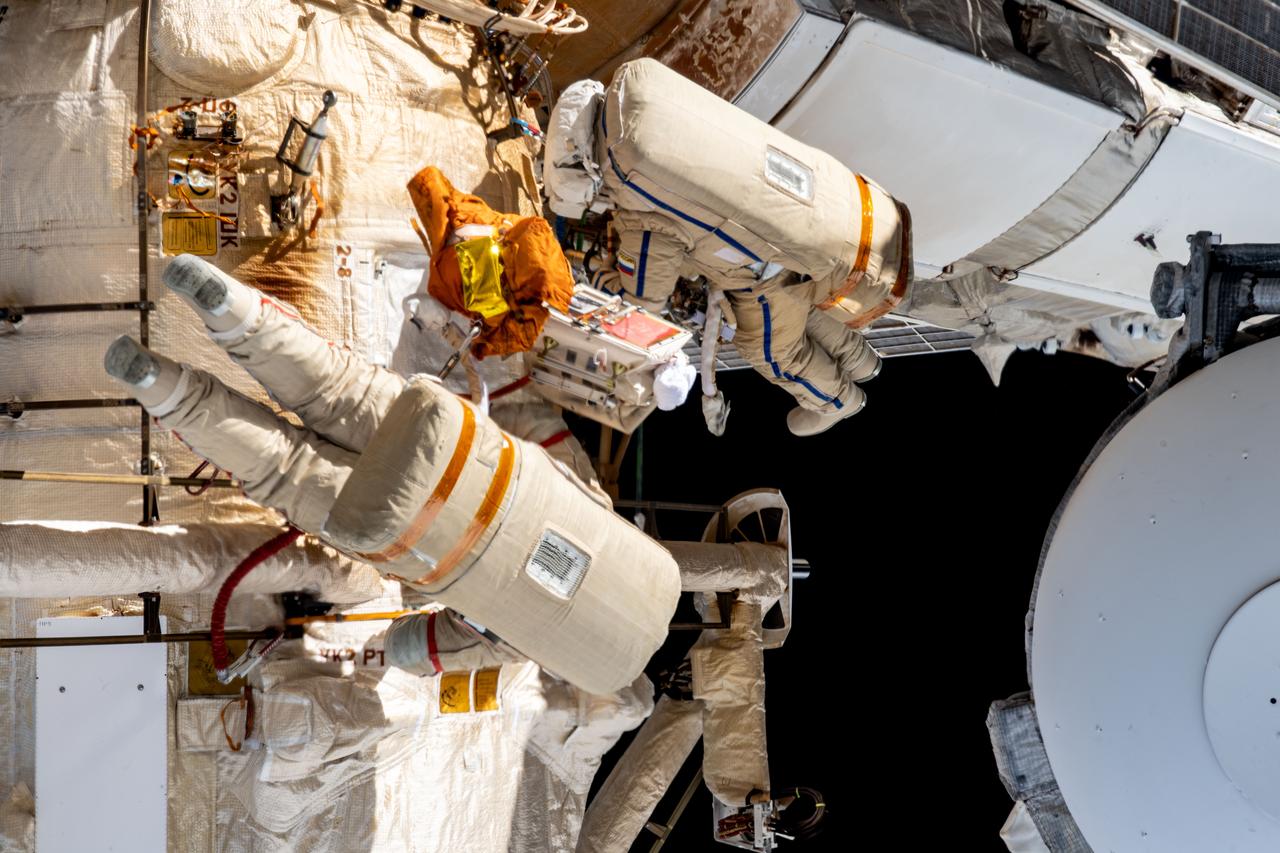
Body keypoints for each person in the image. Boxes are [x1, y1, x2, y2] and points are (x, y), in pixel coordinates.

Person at [103, 254, 680, 695]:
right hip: (401, 526)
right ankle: (158, 383)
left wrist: (497, 383)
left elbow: (543, 434)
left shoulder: (599, 511)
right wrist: (387, 646)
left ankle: (229, 306)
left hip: (450, 440)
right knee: (280, 466)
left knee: (333, 386)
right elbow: (420, 648)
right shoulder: (518, 636)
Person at [552, 59, 914, 436]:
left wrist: (601, 275)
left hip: (763, 273)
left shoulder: (638, 199)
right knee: (797, 308)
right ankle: (860, 362)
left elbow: (645, 303)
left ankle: (837, 401)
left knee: (770, 350)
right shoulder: (638, 84)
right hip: (803, 229)